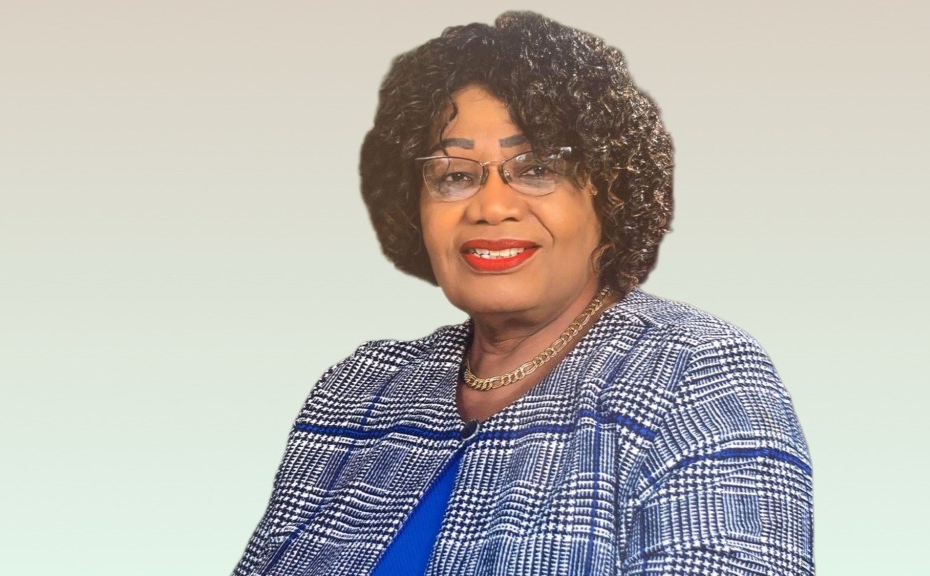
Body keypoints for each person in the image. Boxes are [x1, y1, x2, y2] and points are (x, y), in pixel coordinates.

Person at [233, 11, 812, 576]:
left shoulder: (696, 374)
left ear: (610, 191)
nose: (491, 206)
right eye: (455, 175)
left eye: (535, 168)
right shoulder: (359, 392)